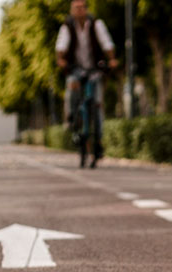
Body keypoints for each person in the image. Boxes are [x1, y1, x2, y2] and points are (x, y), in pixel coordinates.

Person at [55, 0, 118, 165]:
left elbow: (107, 43)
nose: (79, 11)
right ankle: (71, 118)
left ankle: (99, 139)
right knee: (72, 88)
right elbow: (61, 46)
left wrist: (111, 59)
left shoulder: (96, 24)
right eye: (76, 8)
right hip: (76, 69)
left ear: (86, 9)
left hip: (94, 69)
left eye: (82, 7)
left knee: (97, 103)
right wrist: (61, 59)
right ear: (72, 10)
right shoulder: (67, 26)